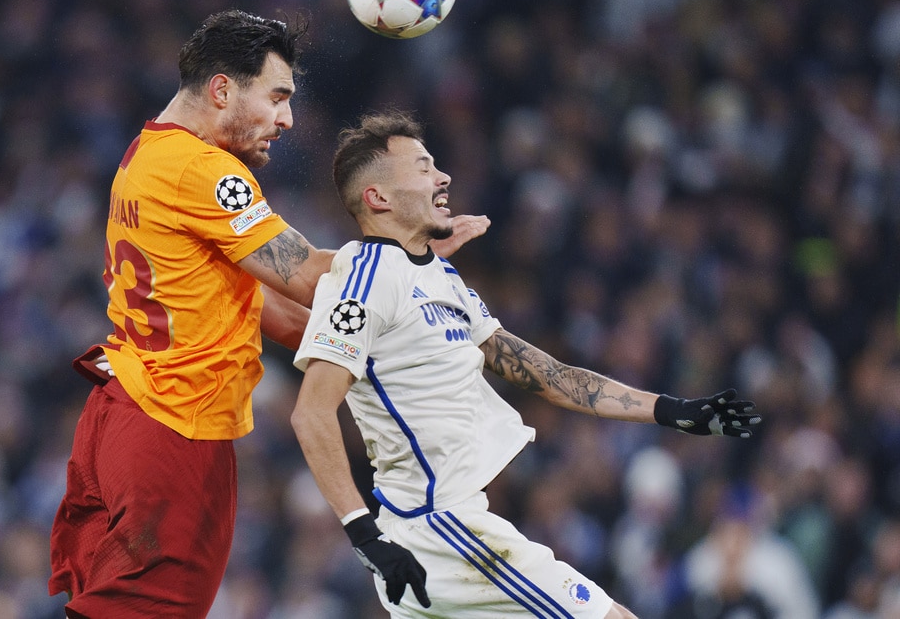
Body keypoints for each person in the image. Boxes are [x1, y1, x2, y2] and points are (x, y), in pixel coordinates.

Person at [47, 11, 488, 619]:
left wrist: (366, 351)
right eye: (277, 97)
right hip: (174, 424)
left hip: (127, 410)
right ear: (222, 89)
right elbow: (307, 275)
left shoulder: (148, 152)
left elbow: (263, 305)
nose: (287, 119)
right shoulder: (203, 171)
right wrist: (412, 252)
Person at [290, 109, 762, 618]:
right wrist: (363, 534)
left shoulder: (441, 279)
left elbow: (550, 377)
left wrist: (671, 410)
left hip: (439, 532)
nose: (443, 177)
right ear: (378, 197)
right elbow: (311, 413)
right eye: (423, 168)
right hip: (440, 529)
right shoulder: (362, 280)